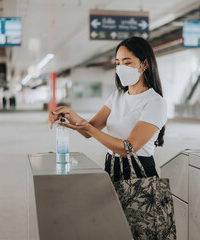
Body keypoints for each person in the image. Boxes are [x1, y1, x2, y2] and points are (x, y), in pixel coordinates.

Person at [48, 37, 167, 181]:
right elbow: (90, 130)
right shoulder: (117, 96)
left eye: (127, 62)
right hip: (112, 166)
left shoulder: (155, 102)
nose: (121, 67)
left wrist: (88, 128)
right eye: (118, 63)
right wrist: (70, 115)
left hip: (139, 173)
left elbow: (129, 149)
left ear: (144, 64)